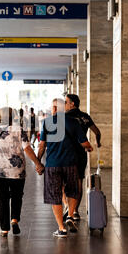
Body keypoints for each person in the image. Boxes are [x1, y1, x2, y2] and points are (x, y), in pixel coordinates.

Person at [37, 98, 93, 238]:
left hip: (53, 164)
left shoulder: (47, 122)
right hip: (70, 163)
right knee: (73, 190)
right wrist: (89, 147)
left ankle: (61, 229)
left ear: (55, 109)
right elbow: (84, 142)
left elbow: (42, 145)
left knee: (54, 195)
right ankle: (70, 214)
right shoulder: (73, 122)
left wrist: (38, 162)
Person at [0, 107, 44, 237]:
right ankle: (14, 219)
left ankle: (4, 229)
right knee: (17, 196)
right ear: (13, 117)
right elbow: (27, 148)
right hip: (17, 170)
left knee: (2, 199)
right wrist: (37, 163)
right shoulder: (19, 131)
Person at [64, 94, 102, 221]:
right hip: (81, 152)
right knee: (79, 180)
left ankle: (67, 207)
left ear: (72, 104)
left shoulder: (65, 117)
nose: (64, 105)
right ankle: (75, 210)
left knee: (64, 181)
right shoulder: (85, 117)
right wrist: (98, 142)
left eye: (66, 102)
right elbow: (97, 132)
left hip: (67, 153)